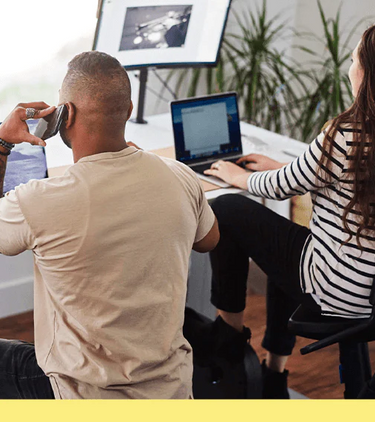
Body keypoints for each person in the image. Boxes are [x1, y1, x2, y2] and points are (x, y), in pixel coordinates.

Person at [0, 51, 219, 399]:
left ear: (64, 115)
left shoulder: (40, 200)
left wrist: (2, 143)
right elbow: (209, 240)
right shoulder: (178, 175)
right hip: (170, 391)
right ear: (129, 111)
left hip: (81, 395)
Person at [203, 24, 375, 398]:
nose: (348, 65)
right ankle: (273, 376)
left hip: (337, 287)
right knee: (286, 244)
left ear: (365, 71)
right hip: (368, 289)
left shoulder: (346, 132)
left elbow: (283, 186)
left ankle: (229, 341)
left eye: (354, 58)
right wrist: (283, 165)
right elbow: (332, 175)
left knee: (229, 207)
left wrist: (237, 176)